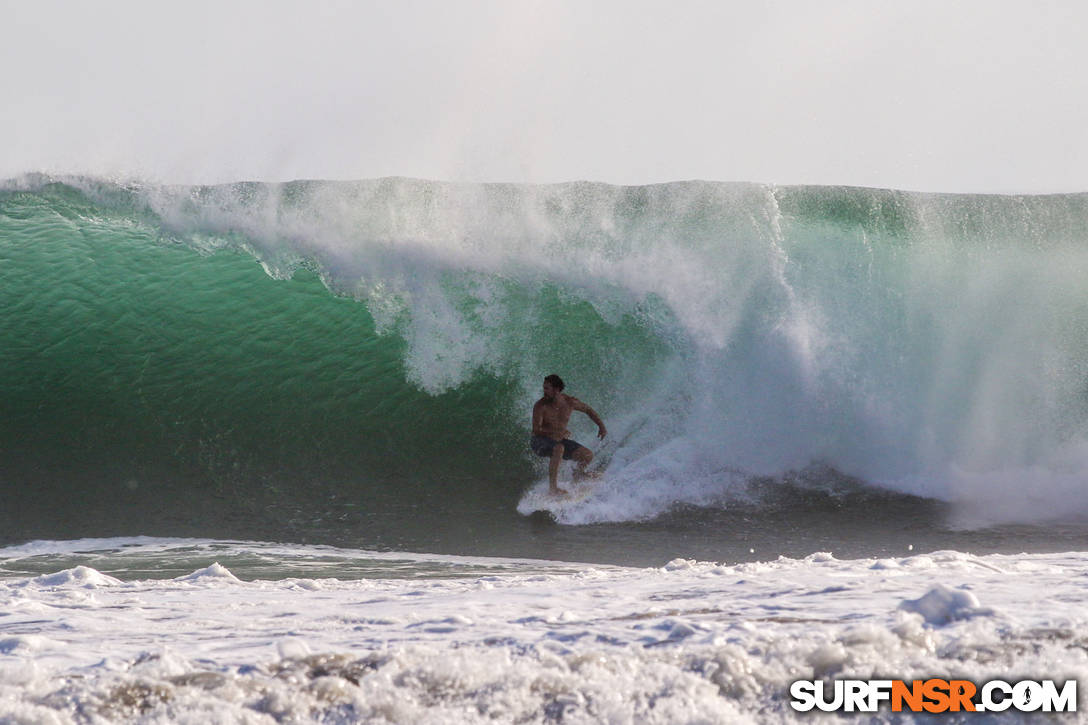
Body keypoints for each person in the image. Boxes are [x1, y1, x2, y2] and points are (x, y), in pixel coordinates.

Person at [530, 374, 607, 496]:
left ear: (556, 389)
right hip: (539, 441)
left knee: (587, 455)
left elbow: (588, 410)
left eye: (546, 388)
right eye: (543, 388)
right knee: (559, 448)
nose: (543, 391)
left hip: (558, 440)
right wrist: (555, 432)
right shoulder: (540, 405)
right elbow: (536, 430)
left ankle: (578, 474)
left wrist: (601, 426)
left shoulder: (569, 402)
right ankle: (553, 489)